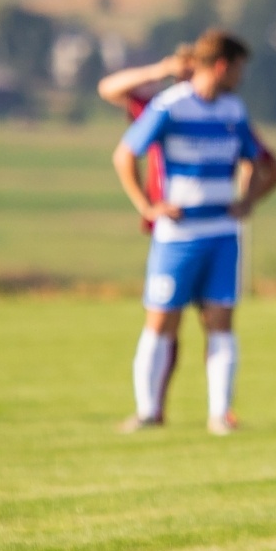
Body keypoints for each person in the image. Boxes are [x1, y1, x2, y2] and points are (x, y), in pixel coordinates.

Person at [111, 29, 276, 435]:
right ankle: (148, 412)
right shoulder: (170, 105)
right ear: (222, 65)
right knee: (161, 322)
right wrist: (146, 205)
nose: (241, 77)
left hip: (223, 233)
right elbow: (125, 155)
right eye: (239, 68)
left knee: (221, 321)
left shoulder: (233, 110)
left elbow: (257, 162)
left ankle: (220, 415)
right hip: (178, 235)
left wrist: (247, 201)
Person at [97, 46, 193, 415]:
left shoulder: (216, 107)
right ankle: (152, 407)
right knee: (166, 316)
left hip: (204, 223)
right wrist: (161, 68)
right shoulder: (160, 106)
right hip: (169, 223)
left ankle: (182, 405)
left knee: (205, 320)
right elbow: (109, 88)